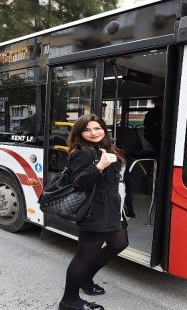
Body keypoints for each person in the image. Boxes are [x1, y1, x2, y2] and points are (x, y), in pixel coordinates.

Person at [59, 114, 130, 310]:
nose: (93, 133)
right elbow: (79, 182)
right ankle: (69, 301)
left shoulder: (105, 148)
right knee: (84, 255)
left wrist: (126, 208)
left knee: (119, 243)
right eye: (87, 130)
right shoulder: (83, 153)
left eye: (97, 128)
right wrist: (100, 166)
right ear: (80, 133)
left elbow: (119, 182)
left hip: (113, 209)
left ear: (103, 129)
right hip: (95, 210)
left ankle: (86, 278)